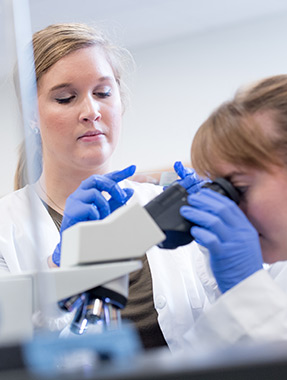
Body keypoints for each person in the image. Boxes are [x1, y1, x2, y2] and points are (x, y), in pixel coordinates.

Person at [0, 22, 215, 352]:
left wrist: (223, 245)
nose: (91, 111)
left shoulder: (170, 210)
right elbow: (14, 355)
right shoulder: (5, 228)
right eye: (66, 97)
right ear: (31, 114)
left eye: (103, 93)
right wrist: (62, 273)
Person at [178, 74, 287, 349]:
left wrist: (248, 292)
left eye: (238, 187)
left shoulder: (260, 290)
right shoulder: (281, 282)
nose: (229, 211)